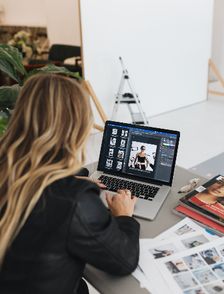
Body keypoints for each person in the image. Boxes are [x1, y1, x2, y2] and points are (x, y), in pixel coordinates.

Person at [0, 74, 139, 294]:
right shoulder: (76, 200)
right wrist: (124, 216)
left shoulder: (8, 169)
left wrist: (65, 179)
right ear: (76, 126)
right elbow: (124, 261)